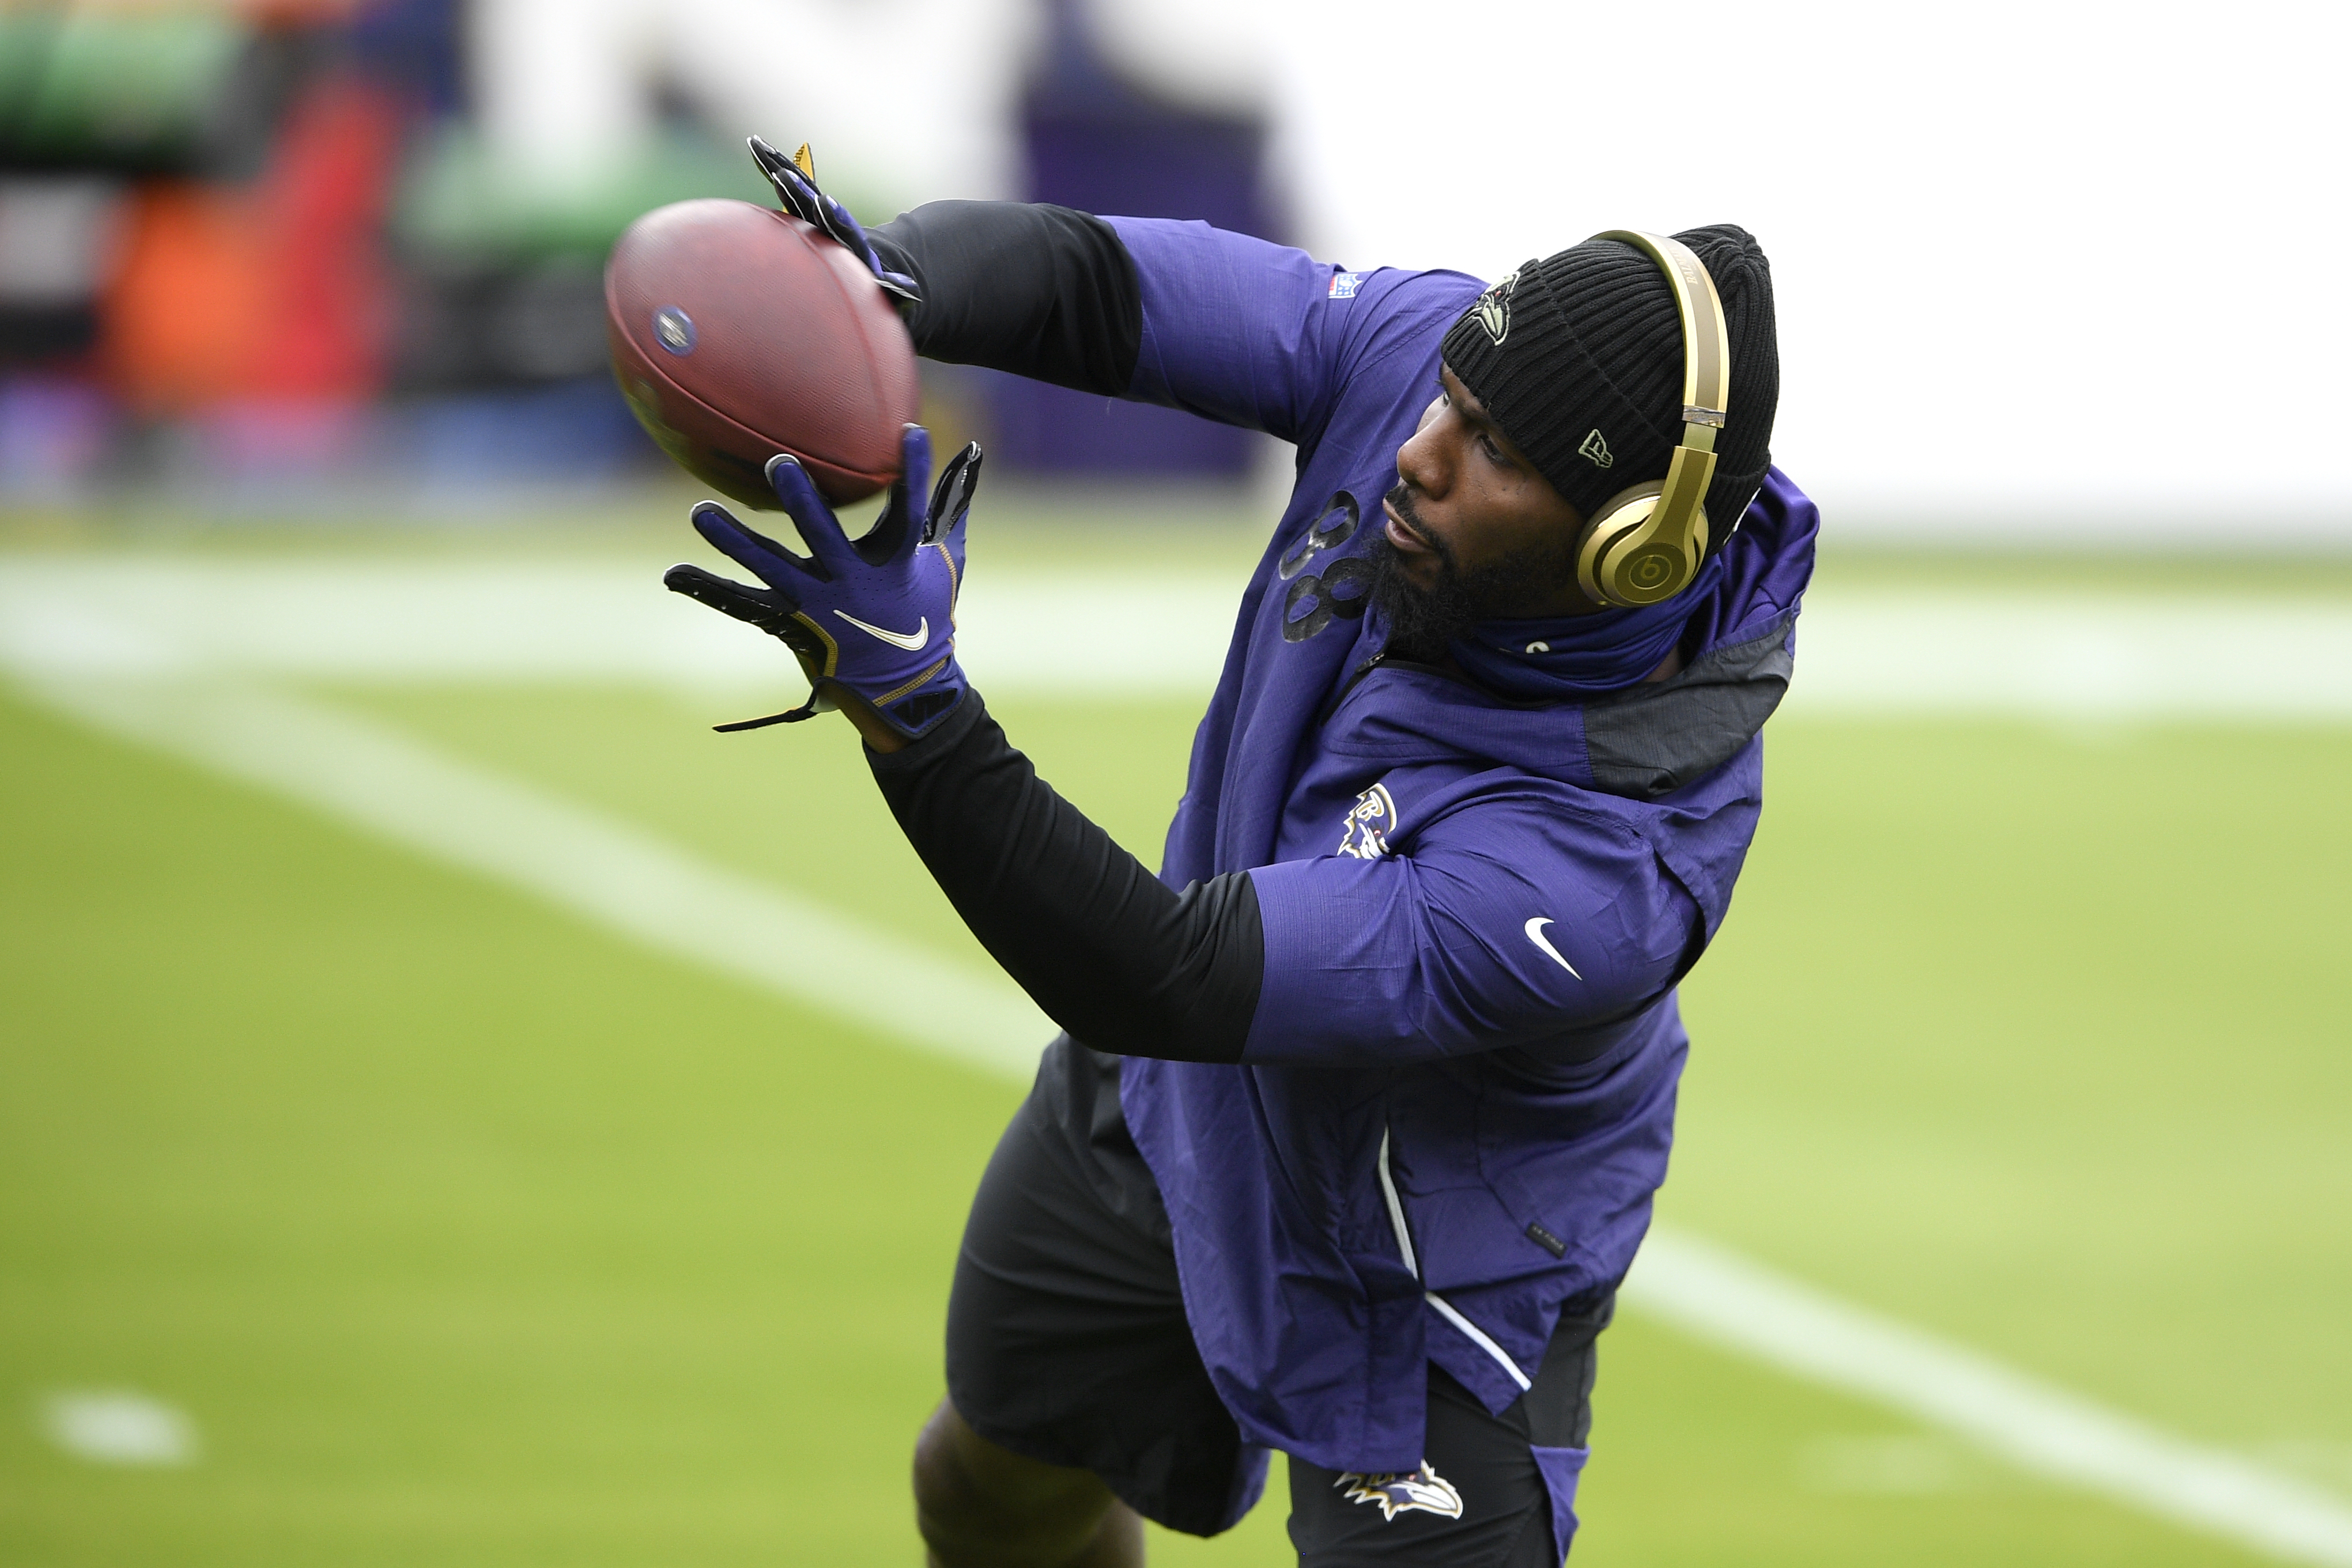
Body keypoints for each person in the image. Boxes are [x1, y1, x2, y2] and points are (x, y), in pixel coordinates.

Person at [663, 138, 1818, 1567]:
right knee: (988, 1484)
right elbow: (1107, 282)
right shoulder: (1420, 365)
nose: (1419, 446)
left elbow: (1162, 973)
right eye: (1452, 393)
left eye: (1496, 452)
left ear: (1626, 553)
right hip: (1179, 1112)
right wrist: (882, 281)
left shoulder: (1598, 869)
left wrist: (917, 713)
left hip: (1429, 1260)